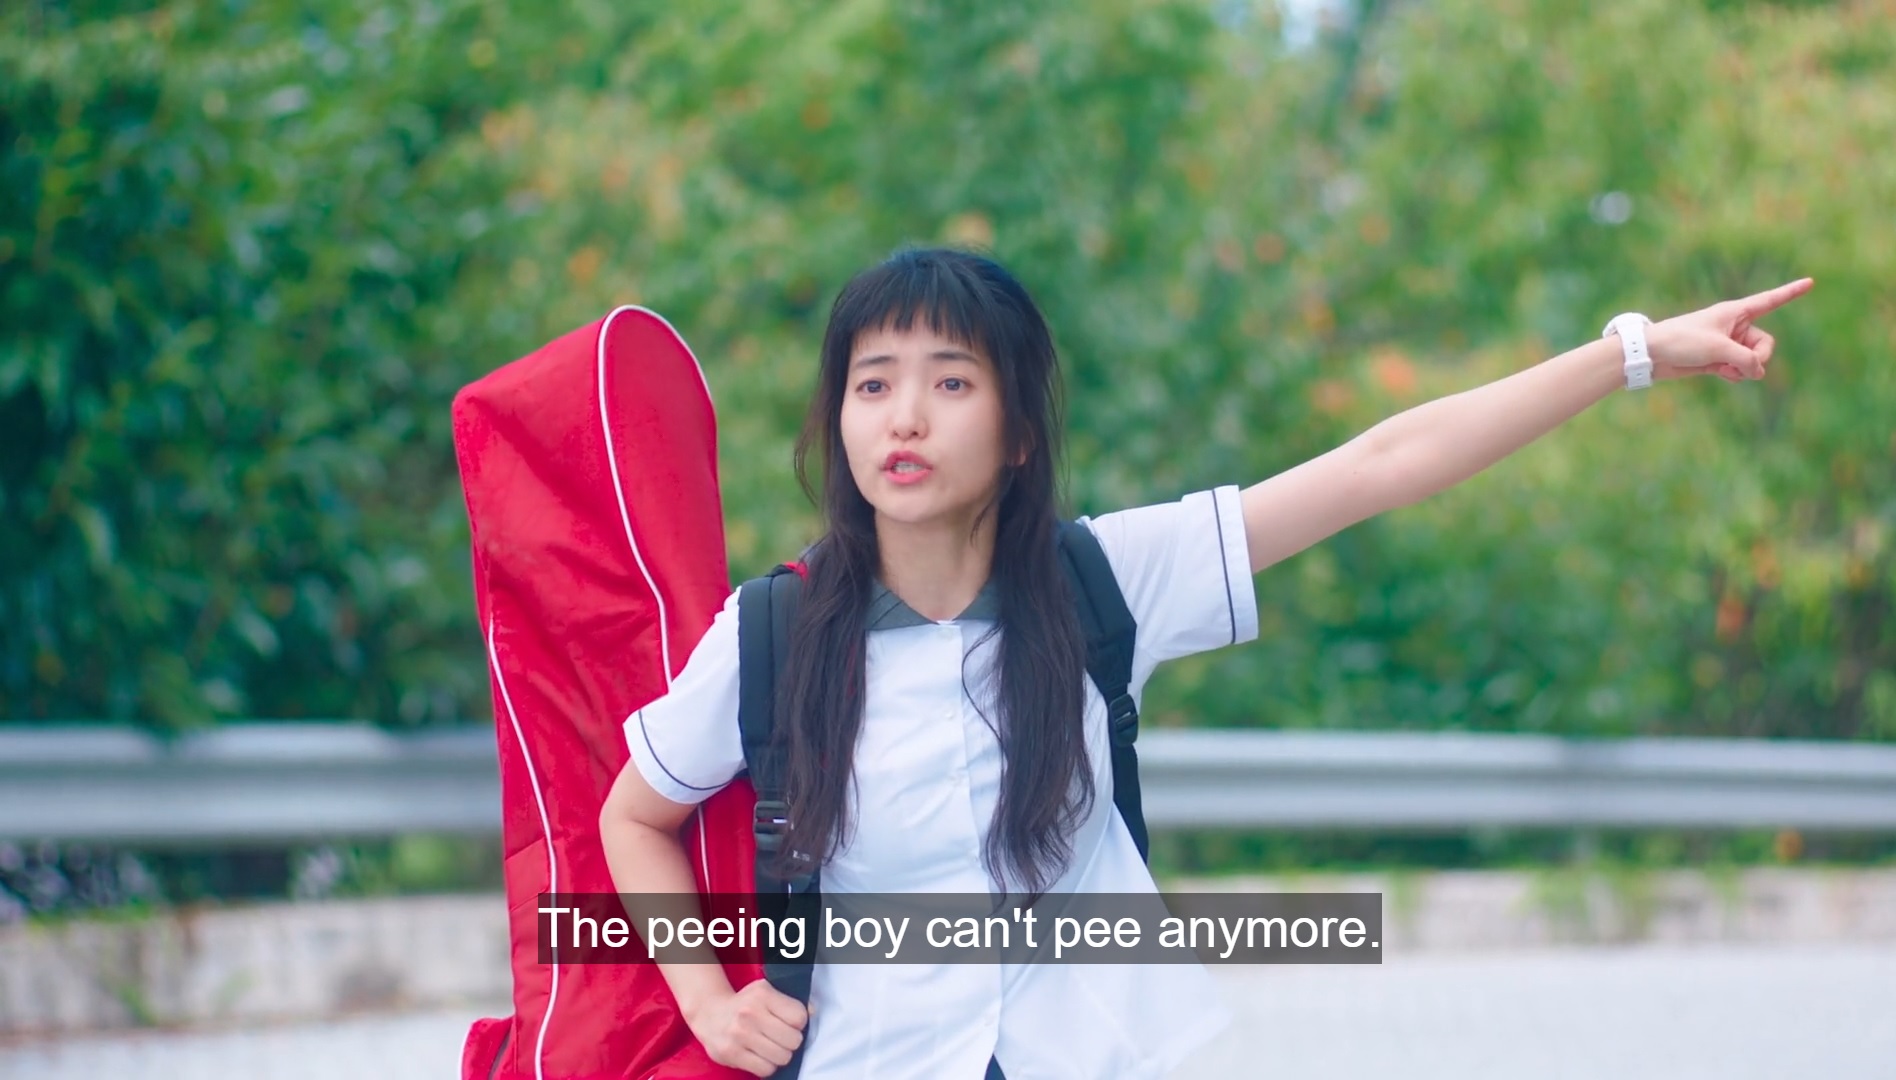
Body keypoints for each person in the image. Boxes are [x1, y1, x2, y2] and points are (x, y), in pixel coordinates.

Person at [598, 246, 1811, 1078]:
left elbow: (1383, 463)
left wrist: (1632, 353)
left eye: (950, 381)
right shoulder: (774, 635)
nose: (904, 416)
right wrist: (708, 1000)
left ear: (1016, 434)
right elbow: (633, 816)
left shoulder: (1103, 581)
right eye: (873, 385)